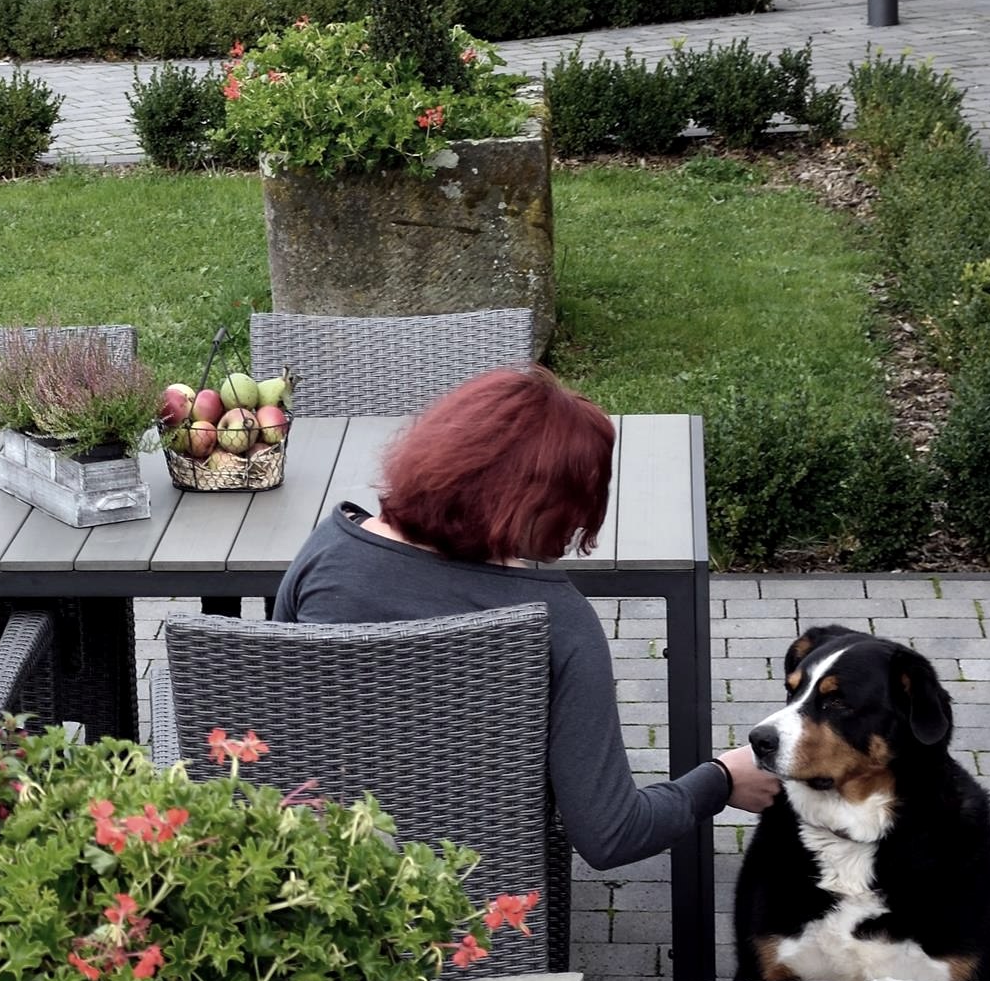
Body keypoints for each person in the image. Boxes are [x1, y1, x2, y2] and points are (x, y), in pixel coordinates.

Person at [268, 365, 778, 868]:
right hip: (476, 901)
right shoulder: (555, 621)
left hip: (310, 888)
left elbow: (272, 736)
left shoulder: (328, 553)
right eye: (578, 501)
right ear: (531, 502)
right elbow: (611, 834)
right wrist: (720, 779)